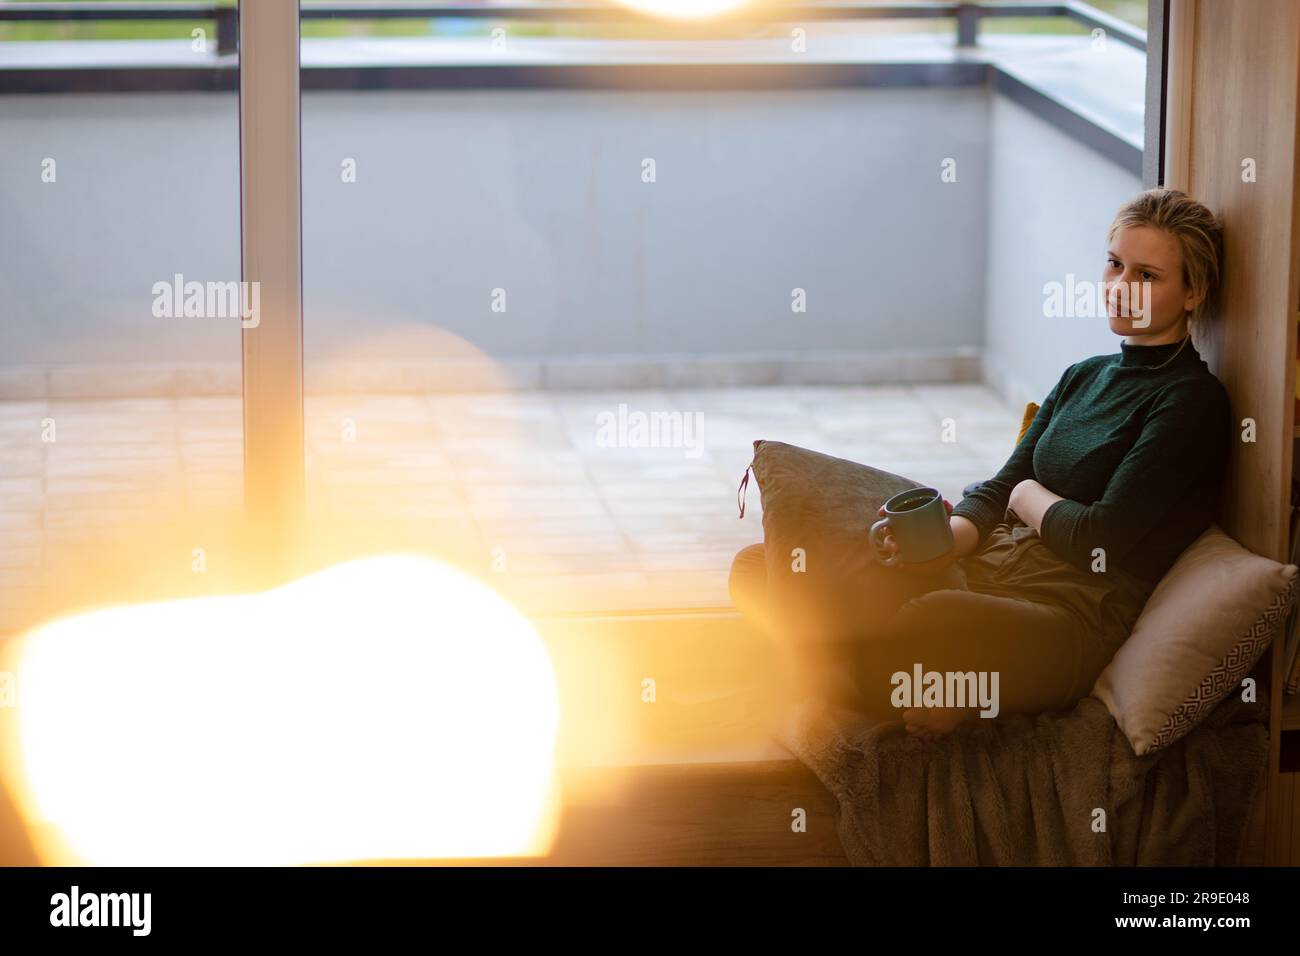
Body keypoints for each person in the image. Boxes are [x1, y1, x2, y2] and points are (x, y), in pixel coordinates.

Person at [729, 187, 1231, 741]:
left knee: (929, 620)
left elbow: (1100, 541)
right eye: (1114, 265)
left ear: (1194, 292)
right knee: (762, 566)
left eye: (1146, 276)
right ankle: (870, 679)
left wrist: (1028, 497)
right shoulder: (1084, 375)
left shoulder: (1190, 403)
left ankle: (855, 675)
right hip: (987, 573)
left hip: (1068, 618)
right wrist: (946, 538)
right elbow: (999, 490)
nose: (1119, 289)